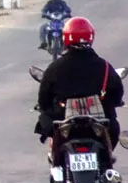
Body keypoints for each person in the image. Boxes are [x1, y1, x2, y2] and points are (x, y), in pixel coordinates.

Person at [35, 17, 123, 149]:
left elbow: (44, 96)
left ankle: (57, 161)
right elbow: (117, 92)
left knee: (46, 119)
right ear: (91, 37)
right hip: (99, 120)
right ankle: (107, 160)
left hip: (64, 118)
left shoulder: (55, 67)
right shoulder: (104, 66)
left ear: (66, 37)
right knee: (113, 126)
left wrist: (45, 107)